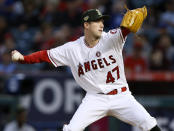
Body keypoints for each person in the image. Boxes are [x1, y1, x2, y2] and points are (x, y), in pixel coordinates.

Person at [11, 8, 161, 131]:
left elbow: (124, 30)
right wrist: (23, 58)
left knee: (150, 124)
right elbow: (45, 55)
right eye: (97, 21)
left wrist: (132, 23)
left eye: (102, 20)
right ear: (86, 25)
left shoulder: (111, 38)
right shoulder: (72, 49)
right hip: (94, 99)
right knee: (71, 129)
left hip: (121, 96)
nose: (101, 24)